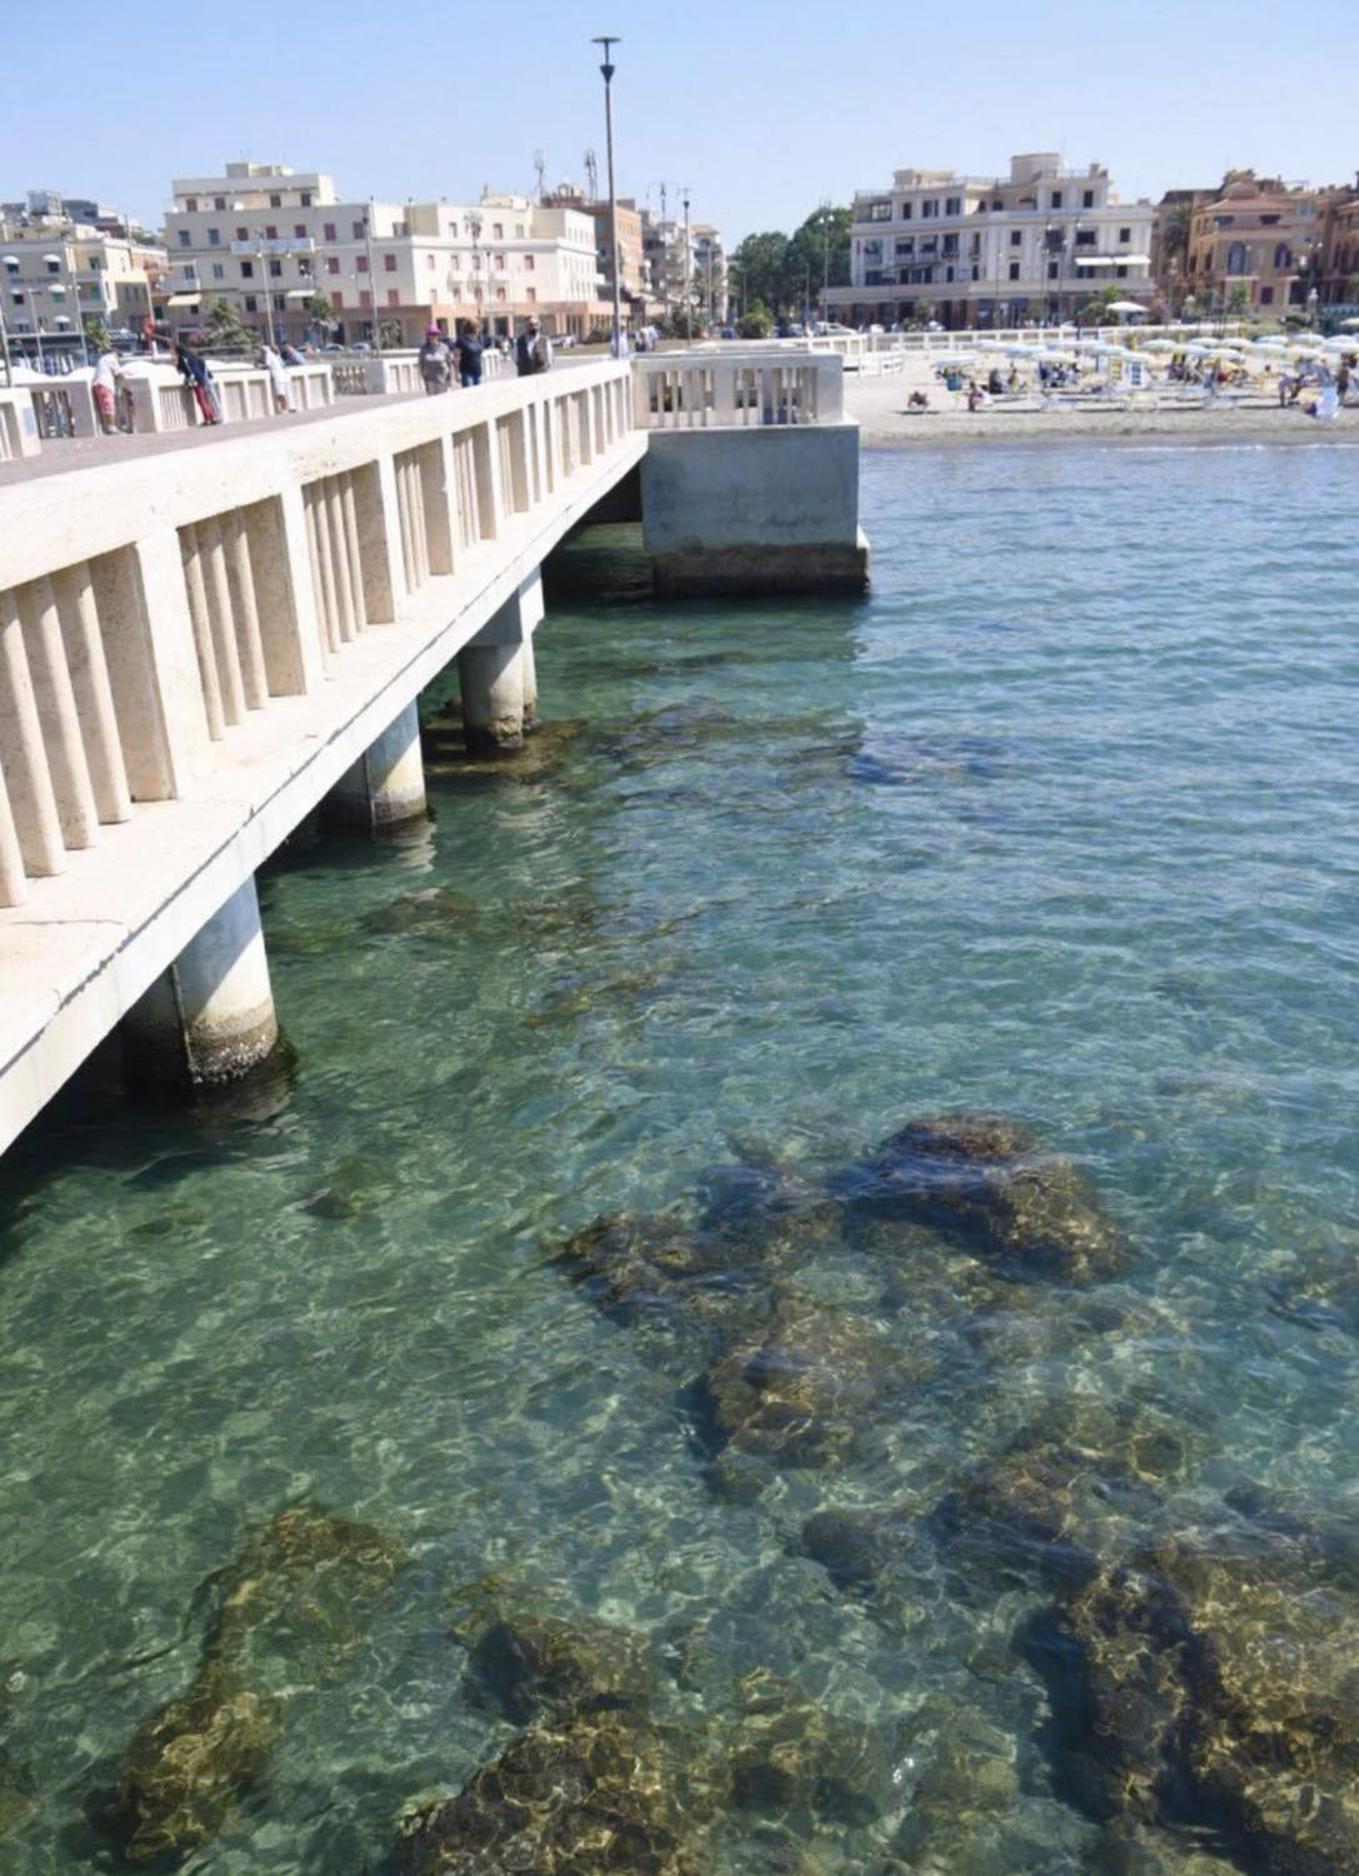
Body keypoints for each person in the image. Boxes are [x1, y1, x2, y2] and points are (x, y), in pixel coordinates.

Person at [174, 340, 221, 425]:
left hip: (195, 380)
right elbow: (201, 363)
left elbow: (180, 370)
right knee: (205, 399)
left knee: (201, 400)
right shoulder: (192, 355)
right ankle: (212, 417)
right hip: (201, 378)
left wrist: (176, 363)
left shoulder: (182, 358)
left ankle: (207, 419)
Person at [91, 348, 124, 435]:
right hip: (105, 384)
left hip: (96, 384)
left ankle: (106, 427)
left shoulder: (101, 359)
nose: (118, 358)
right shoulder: (111, 358)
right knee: (109, 405)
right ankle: (111, 427)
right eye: (118, 356)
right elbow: (118, 373)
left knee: (103, 406)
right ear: (114, 353)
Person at [418, 324, 453, 394]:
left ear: (438, 335)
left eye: (435, 334)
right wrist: (423, 378)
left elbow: (449, 363)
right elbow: (421, 364)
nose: (433, 336)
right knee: (432, 401)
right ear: (427, 336)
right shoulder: (424, 349)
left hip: (443, 379)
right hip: (430, 380)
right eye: (430, 334)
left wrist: (450, 379)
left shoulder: (444, 347)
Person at [260, 343, 294, 414]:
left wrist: (260, 367)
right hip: (285, 375)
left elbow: (267, 365)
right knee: (288, 392)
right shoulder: (278, 356)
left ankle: (284, 409)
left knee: (281, 393)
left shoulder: (268, 354)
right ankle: (292, 407)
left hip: (278, 376)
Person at [456, 318, 484, 388]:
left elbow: (479, 355)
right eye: (477, 327)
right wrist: (457, 373)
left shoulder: (478, 339)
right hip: (467, 373)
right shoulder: (461, 340)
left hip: (478, 371)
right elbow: (456, 357)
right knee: (469, 394)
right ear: (472, 328)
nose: (479, 330)